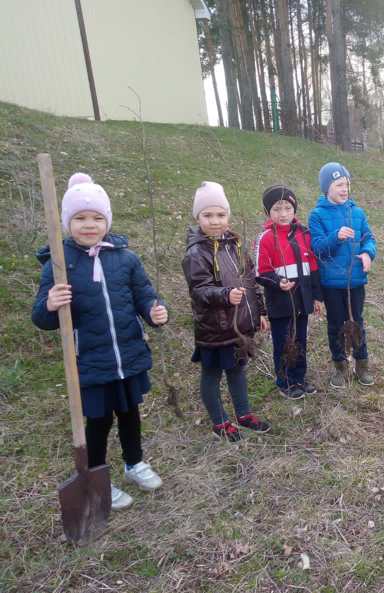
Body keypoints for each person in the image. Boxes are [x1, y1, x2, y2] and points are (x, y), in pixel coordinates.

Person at [32, 172, 168, 510]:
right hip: (90, 360)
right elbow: (42, 317)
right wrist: (51, 304)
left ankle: (134, 462)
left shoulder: (125, 258)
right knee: (99, 419)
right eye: (80, 218)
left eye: (96, 218)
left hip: (127, 353)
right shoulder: (60, 264)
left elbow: (144, 295)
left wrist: (154, 312)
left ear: (106, 220)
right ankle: (95, 476)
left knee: (129, 411)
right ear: (67, 222)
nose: (89, 225)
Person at [182, 181, 271, 442]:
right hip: (214, 327)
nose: (215, 221)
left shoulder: (234, 244)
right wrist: (223, 295)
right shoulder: (196, 252)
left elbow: (250, 280)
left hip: (238, 326)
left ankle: (243, 414)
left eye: (220, 215)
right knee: (212, 373)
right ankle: (219, 421)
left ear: (228, 216)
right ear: (197, 217)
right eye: (207, 215)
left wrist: (261, 312)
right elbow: (198, 289)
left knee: (237, 370)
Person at [308, 162, 377, 388]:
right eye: (339, 185)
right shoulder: (317, 215)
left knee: (357, 321)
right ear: (327, 187)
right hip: (331, 282)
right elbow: (317, 247)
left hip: (355, 280)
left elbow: (369, 238)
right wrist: (336, 237)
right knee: (336, 324)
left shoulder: (357, 212)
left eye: (347, 184)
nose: (344, 189)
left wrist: (368, 253)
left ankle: (362, 364)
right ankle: (340, 366)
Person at [255, 184, 323, 399]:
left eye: (287, 208)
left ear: (294, 210)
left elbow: (312, 267)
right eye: (277, 209)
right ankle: (285, 381)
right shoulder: (265, 238)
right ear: (268, 212)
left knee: (300, 339)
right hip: (281, 302)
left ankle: (299, 378)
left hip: (302, 300)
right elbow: (261, 271)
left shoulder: (304, 234)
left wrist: (317, 296)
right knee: (284, 341)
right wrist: (277, 281)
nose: (283, 214)